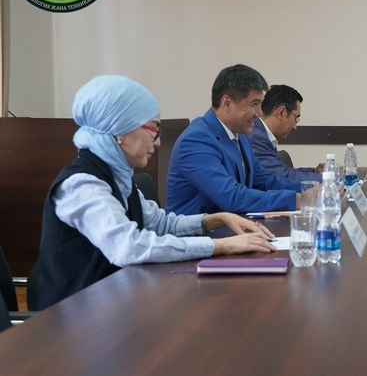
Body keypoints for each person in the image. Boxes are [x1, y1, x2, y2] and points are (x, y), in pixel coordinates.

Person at [27, 75, 277, 310]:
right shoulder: (82, 184)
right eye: (154, 129)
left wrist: (217, 219)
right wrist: (220, 245)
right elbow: (128, 247)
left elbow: (160, 224)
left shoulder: (118, 176)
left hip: (112, 302)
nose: (157, 142)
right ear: (121, 130)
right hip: (72, 314)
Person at [167, 64, 302, 215]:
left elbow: (265, 181)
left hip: (234, 226)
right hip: (199, 229)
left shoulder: (241, 135)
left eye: (260, 105)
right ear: (227, 103)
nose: (259, 113)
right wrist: (296, 200)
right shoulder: (196, 140)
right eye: (254, 104)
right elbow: (232, 197)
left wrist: (311, 189)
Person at [250, 84, 324, 182]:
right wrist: (328, 179)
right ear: (281, 112)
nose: (295, 127)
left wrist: (315, 172)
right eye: (295, 118)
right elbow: (283, 177)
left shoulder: (262, 133)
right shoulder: (257, 137)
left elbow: (283, 172)